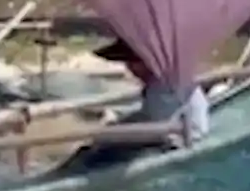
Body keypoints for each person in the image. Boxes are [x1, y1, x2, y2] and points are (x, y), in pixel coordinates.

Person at [60, 36, 209, 173]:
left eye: (132, 63)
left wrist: (111, 135)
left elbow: (158, 128)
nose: (130, 69)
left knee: (97, 155)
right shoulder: (166, 80)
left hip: (180, 140)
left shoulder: (164, 88)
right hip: (177, 131)